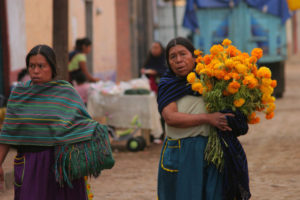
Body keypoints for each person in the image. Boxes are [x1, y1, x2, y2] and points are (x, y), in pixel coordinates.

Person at [0, 44, 113, 200]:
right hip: (31, 165)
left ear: (52, 67)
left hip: (62, 167)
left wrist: (97, 132)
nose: (35, 71)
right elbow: (8, 133)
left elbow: (83, 123)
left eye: (41, 66)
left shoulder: (66, 92)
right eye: (31, 66)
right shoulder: (19, 94)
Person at [156, 37, 235, 200]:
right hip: (182, 149)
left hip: (211, 148)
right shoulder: (167, 84)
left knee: (214, 194)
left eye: (183, 54)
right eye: (173, 57)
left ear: (193, 56)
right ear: (168, 62)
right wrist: (208, 118)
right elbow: (170, 117)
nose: (178, 60)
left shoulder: (211, 78)